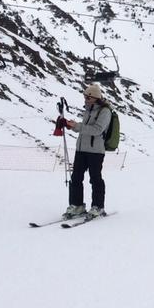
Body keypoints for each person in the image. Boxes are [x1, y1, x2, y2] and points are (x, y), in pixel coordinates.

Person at [62, 83, 112, 219]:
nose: (85, 99)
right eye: (85, 97)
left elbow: (97, 130)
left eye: (88, 97)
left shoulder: (105, 111)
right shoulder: (88, 110)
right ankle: (77, 205)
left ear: (95, 97)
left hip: (96, 151)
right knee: (76, 177)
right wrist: (72, 126)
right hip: (81, 149)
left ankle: (98, 206)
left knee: (95, 178)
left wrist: (77, 126)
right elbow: (85, 128)